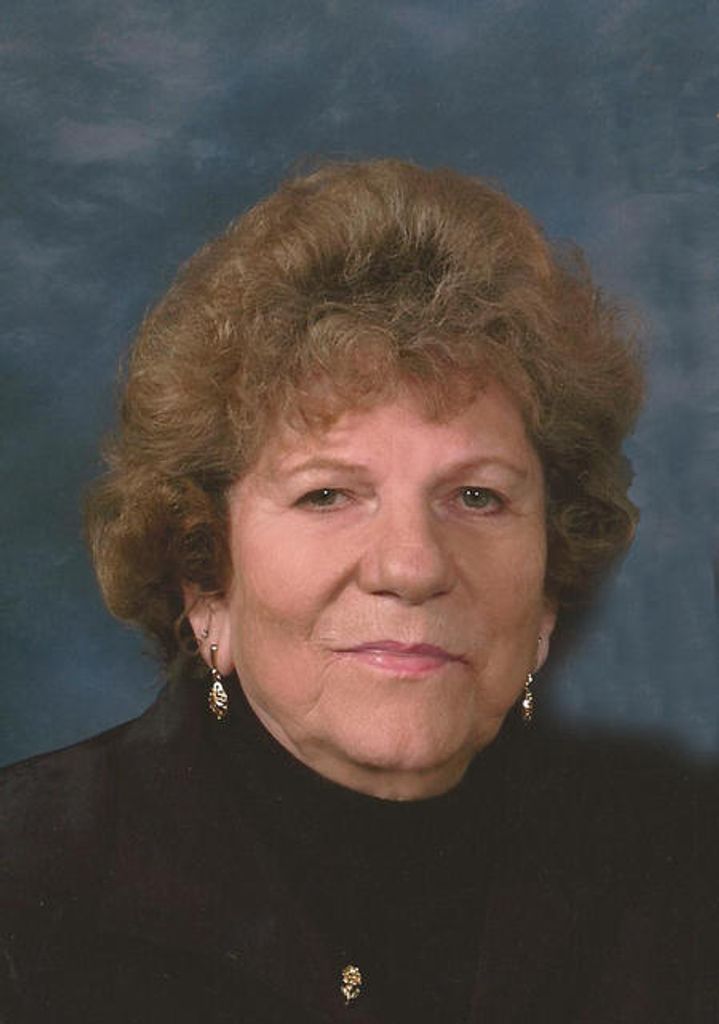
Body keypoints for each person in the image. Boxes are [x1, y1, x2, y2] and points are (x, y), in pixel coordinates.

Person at [0, 159, 699, 1022]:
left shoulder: (679, 875)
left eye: (476, 496)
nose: (410, 566)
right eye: (327, 495)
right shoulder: (25, 878)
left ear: (549, 586)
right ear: (206, 578)